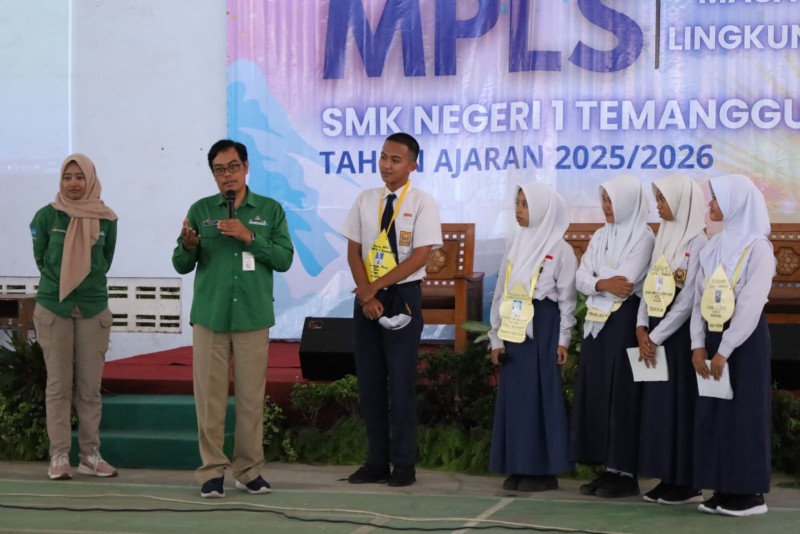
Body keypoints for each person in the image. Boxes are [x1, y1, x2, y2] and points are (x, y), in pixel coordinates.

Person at [172, 139, 294, 498]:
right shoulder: (200, 210)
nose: (228, 175)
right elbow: (181, 264)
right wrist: (188, 246)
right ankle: (211, 471)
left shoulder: (269, 210)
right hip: (210, 316)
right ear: (213, 174)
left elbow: (284, 259)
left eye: (233, 166)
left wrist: (249, 236)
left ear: (246, 167)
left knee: (251, 400)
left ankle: (248, 470)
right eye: (220, 170)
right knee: (209, 399)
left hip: (253, 316)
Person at [340, 132, 442, 487]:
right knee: (369, 384)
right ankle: (375, 462)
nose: (386, 165)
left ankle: (403, 464)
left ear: (412, 165)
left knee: (400, 383)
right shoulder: (366, 200)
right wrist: (366, 296)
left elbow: (420, 256)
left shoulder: (422, 203)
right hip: (367, 299)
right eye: (383, 157)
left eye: (395, 160)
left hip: (402, 297)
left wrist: (375, 287)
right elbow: (353, 251)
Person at [30, 153, 119, 480]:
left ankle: (90, 456)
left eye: (80, 177)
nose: (73, 183)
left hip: (93, 306)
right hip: (54, 306)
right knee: (58, 386)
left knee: (89, 387)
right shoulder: (46, 216)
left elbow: (105, 261)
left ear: (90, 179)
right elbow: (41, 259)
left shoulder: (107, 219)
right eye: (67, 177)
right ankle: (59, 456)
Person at [690, 174, 774, 516]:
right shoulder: (714, 246)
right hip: (713, 336)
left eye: (716, 199)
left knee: (744, 413)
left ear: (736, 203)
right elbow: (698, 298)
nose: (710, 205)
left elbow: (751, 304)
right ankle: (723, 487)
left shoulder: (759, 248)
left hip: (743, 341)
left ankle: (749, 494)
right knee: (715, 413)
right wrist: (698, 344)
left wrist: (725, 348)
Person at [569, 175, 654, 498]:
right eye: (603, 199)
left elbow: (627, 283)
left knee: (622, 396)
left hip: (624, 322)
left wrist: (596, 280)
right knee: (598, 392)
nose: (606, 206)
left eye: (612, 200)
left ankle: (626, 472)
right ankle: (607, 468)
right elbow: (580, 278)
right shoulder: (600, 235)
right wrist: (602, 283)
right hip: (596, 322)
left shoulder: (644, 236)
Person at [487, 182, 577, 492]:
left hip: (543, 327)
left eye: (526, 204)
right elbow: (501, 293)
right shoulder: (516, 245)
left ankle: (544, 471)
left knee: (541, 396)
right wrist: (496, 339)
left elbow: (567, 301)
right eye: (517, 203)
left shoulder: (561, 250)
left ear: (543, 209)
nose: (519, 210)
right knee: (516, 398)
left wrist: (563, 340)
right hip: (514, 328)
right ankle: (518, 465)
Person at [635, 175, 707, 505]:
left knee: (681, 406)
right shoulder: (663, 234)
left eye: (663, 199)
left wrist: (656, 335)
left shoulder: (698, 242)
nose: (659, 205)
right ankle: (667, 477)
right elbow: (649, 285)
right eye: (658, 199)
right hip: (654, 331)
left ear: (681, 201)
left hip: (678, 337)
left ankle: (687, 482)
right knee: (660, 408)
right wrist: (641, 326)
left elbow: (689, 299)